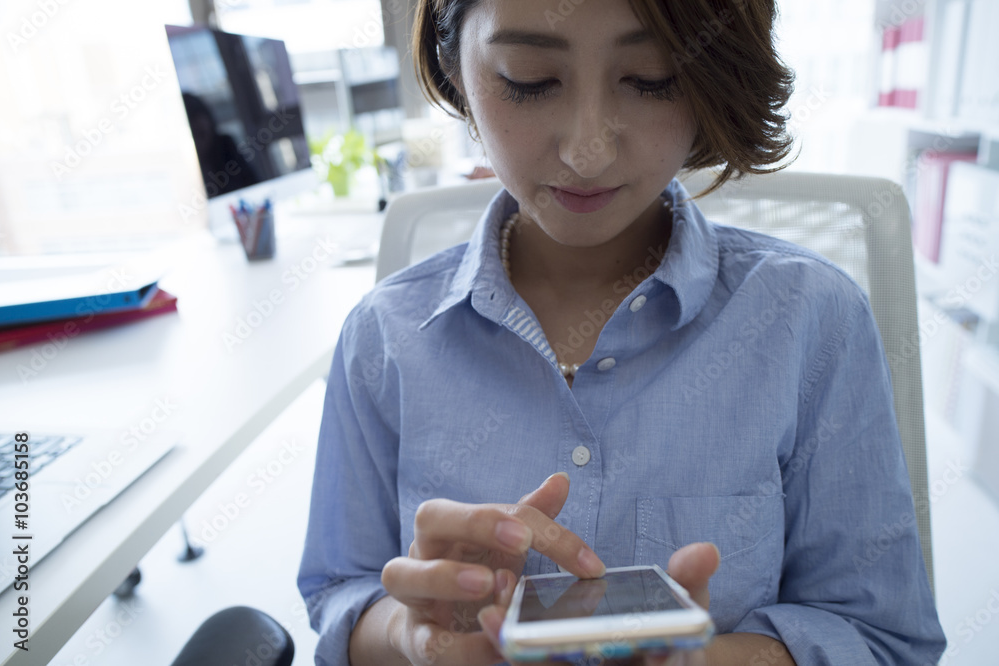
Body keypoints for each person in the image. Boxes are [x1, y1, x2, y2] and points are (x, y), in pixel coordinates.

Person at [297, 0, 947, 663]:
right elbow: (340, 597)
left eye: (653, 78)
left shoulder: (814, 321)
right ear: (453, 70)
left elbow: (882, 636)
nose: (587, 151)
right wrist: (412, 636)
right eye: (527, 78)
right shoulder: (382, 339)